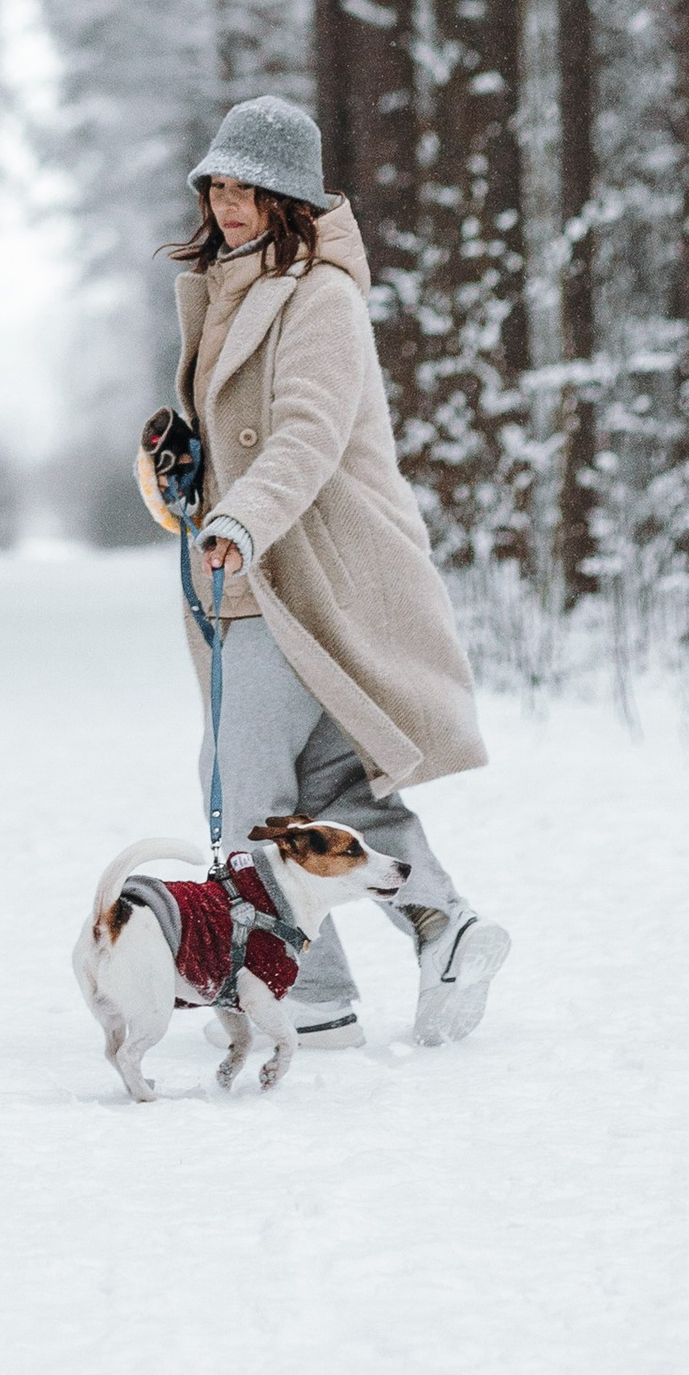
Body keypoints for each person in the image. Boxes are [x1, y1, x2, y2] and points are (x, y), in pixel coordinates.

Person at [139, 92, 509, 1052]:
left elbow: (307, 433)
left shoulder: (320, 296)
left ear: (290, 197)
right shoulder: (232, 288)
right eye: (217, 184)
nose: (227, 204)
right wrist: (185, 466)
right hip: (266, 569)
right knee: (330, 797)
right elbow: (249, 434)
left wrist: (238, 518)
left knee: (244, 789)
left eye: (247, 188)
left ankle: (296, 987)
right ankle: (440, 928)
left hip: (306, 583)